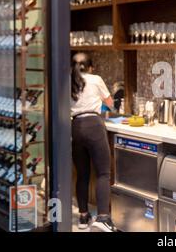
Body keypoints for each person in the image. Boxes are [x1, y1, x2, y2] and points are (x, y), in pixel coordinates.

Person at [70, 52, 117, 232]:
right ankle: (103, 218)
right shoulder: (96, 79)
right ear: (91, 67)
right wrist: (109, 105)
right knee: (103, 173)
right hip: (94, 125)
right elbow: (111, 103)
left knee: (82, 173)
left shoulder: (67, 80)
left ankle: (83, 217)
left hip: (75, 126)